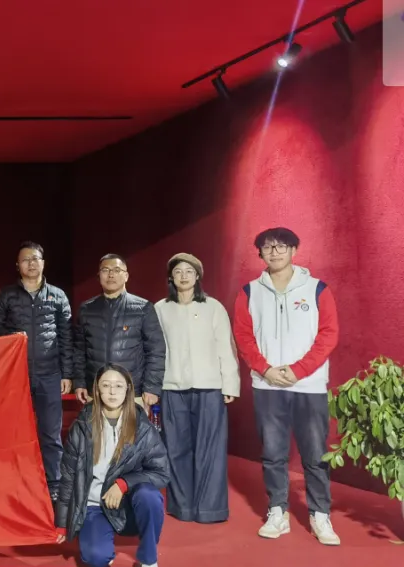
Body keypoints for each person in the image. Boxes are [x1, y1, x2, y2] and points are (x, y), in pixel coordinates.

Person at [233, 227, 340, 545]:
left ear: (294, 250)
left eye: (282, 246)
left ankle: (320, 514)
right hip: (267, 386)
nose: (275, 252)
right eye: (268, 247)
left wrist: (299, 370)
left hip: (309, 386)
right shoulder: (249, 292)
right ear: (260, 254)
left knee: (315, 454)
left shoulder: (317, 289)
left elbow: (329, 334)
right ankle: (277, 511)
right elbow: (243, 336)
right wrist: (265, 369)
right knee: (273, 453)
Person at [54, 364, 169, 567]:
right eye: (106, 386)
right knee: (96, 559)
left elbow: (161, 472)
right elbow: (68, 476)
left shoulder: (142, 426)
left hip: (127, 504)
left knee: (150, 496)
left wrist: (124, 483)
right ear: (97, 390)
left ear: (128, 390)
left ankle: (149, 561)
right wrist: (61, 522)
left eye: (118, 386)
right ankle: (101, 538)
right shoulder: (82, 426)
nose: (112, 392)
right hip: (95, 505)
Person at [154, 253, 239, 523]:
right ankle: (183, 507)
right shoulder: (160, 309)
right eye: (178, 271)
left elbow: (225, 346)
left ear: (198, 276)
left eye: (189, 271)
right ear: (171, 276)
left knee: (210, 449)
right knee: (176, 448)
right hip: (172, 387)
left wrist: (230, 383)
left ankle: (210, 509)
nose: (184, 276)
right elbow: (155, 350)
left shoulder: (213, 307)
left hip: (209, 387)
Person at [0, 242, 74, 500]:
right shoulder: (6, 296)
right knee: (14, 432)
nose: (31, 263)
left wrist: (67, 373)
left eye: (35, 258)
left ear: (43, 263)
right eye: (25, 260)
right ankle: (15, 481)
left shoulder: (57, 296)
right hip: (16, 375)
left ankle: (54, 485)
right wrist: (13, 337)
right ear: (18, 266)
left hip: (50, 374)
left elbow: (66, 337)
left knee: (50, 433)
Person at [73, 254, 166, 411]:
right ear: (98, 276)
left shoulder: (143, 308)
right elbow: (79, 351)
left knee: (132, 428)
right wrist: (79, 383)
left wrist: (151, 387)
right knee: (94, 428)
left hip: (132, 391)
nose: (111, 275)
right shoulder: (86, 309)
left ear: (126, 276)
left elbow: (156, 351)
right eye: (105, 270)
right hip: (96, 390)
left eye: (116, 270)